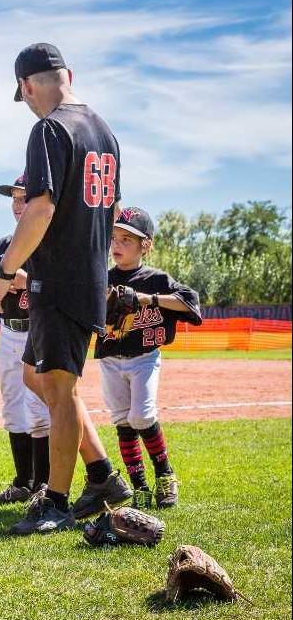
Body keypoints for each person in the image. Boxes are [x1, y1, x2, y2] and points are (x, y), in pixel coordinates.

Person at [0, 43, 132, 535]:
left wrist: (3, 273)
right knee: (35, 377)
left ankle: (57, 502)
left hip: (62, 278)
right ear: (68, 73)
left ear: (26, 85)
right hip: (86, 270)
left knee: (59, 388)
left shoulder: (48, 128)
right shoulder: (103, 129)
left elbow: (40, 209)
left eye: (22, 93)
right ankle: (103, 473)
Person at [95, 206, 202, 508]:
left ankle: (165, 474)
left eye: (126, 240)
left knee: (141, 415)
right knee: (122, 421)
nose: (117, 245)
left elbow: (190, 302)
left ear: (146, 245)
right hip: (111, 359)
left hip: (145, 358)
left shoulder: (156, 279)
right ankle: (140, 486)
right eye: (114, 238)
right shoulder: (102, 279)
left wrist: (147, 299)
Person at [0, 173, 51, 504]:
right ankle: (23, 482)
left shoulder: (53, 242)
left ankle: (45, 486)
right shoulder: (5, 245)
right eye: (15, 199)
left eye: (24, 198)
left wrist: (27, 280)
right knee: (13, 406)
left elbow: (64, 286)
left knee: (39, 408)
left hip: (41, 330)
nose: (18, 205)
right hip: (9, 331)